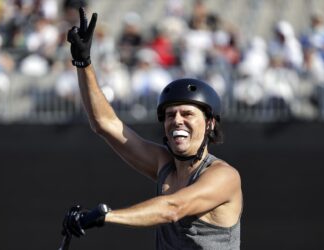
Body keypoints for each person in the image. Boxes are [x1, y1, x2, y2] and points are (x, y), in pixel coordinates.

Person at [61, 7, 243, 250]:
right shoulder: (163, 164)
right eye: (170, 115)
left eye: (187, 113)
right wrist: (83, 63)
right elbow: (105, 124)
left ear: (210, 123)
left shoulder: (224, 176)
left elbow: (172, 208)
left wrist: (107, 216)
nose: (177, 120)